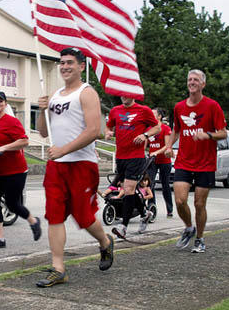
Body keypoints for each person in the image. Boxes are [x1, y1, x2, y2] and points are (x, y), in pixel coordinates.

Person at [35, 47, 115, 287]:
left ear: (82, 66)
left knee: (83, 216)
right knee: (55, 215)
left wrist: (64, 150)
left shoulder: (86, 92)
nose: (65, 67)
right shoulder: (56, 95)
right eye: (61, 63)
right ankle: (58, 268)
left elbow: (93, 131)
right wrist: (42, 111)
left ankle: (105, 242)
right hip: (56, 167)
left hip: (81, 164)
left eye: (70, 62)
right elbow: (42, 131)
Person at [164, 69, 227, 253]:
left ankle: (200, 238)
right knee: (180, 200)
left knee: (199, 203)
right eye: (190, 79)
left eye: (196, 80)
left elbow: (223, 133)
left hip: (205, 162)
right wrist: (168, 146)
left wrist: (208, 135)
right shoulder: (179, 107)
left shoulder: (212, 106)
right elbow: (176, 130)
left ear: (203, 84)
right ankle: (189, 227)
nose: (192, 82)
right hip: (184, 160)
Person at [0, 91, 41, 249]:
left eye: (0, 101)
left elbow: (24, 141)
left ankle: (33, 221)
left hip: (15, 171)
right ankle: (0, 238)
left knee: (12, 204)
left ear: (5, 104)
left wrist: (4, 148)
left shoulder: (11, 122)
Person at [106, 96, 160, 239]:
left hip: (136, 157)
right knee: (129, 190)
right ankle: (145, 214)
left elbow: (157, 127)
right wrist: (108, 132)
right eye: (121, 94)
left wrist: (145, 135)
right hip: (121, 157)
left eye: (126, 93)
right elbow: (109, 125)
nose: (124, 96)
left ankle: (123, 227)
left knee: (128, 189)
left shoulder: (143, 110)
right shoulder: (115, 110)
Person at [147, 108, 174, 217]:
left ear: (159, 116)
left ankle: (169, 209)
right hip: (152, 161)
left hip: (164, 161)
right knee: (150, 183)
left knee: (165, 184)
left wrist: (156, 152)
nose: (151, 115)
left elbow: (167, 146)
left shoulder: (165, 128)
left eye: (153, 114)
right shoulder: (149, 129)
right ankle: (151, 208)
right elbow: (145, 143)